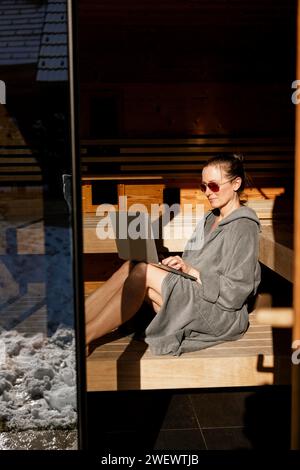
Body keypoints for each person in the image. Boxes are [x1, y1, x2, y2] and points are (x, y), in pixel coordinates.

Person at [85, 154, 261, 356]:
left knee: (144, 271)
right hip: (196, 293)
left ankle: (85, 337)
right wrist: (174, 264)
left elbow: (235, 294)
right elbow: (193, 262)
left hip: (220, 313)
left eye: (213, 185)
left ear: (236, 183)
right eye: (203, 187)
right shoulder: (209, 218)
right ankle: (76, 326)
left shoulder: (244, 227)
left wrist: (191, 271)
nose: (207, 193)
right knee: (132, 265)